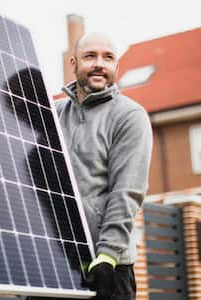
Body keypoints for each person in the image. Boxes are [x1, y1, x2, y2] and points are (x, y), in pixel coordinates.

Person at [55, 32, 153, 300]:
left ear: (116, 68)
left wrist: (108, 254)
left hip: (108, 268)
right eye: (90, 56)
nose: (100, 63)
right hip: (57, 264)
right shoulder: (53, 115)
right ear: (73, 63)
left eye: (108, 58)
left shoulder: (130, 116)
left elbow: (127, 192)